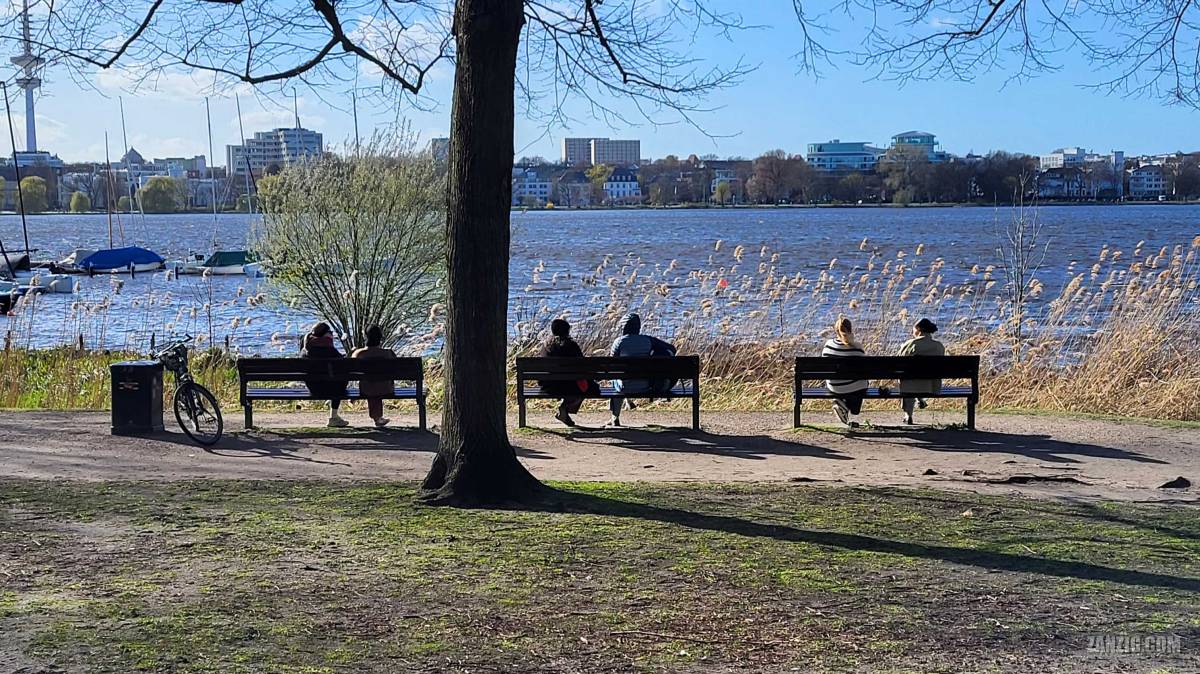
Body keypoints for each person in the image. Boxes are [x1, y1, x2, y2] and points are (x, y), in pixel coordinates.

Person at [608, 312, 676, 427]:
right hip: (646, 385)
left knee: (615, 378)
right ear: (638, 327)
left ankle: (615, 417)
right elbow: (671, 349)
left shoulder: (619, 342)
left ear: (623, 327)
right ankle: (628, 402)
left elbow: (612, 363)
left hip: (624, 386)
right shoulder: (648, 340)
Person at [537, 319, 598, 427]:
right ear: (567, 331)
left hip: (549, 387)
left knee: (579, 385)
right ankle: (564, 408)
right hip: (571, 386)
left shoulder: (545, 347)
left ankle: (564, 413)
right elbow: (582, 365)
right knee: (592, 388)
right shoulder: (572, 346)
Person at [897, 317, 946, 425]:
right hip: (932, 386)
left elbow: (898, 361)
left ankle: (908, 414)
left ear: (918, 329)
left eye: (913, 329)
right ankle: (920, 399)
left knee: (908, 379)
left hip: (910, 386)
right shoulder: (939, 346)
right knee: (919, 378)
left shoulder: (911, 344)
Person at [821, 317, 868, 428]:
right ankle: (851, 409)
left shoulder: (828, 345)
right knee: (861, 383)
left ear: (836, 331)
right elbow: (865, 370)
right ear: (851, 330)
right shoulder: (857, 348)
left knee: (852, 382)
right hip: (856, 389)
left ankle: (842, 404)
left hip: (835, 387)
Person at [301, 321, 349, 428]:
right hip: (333, 390)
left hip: (313, 389)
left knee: (337, 379)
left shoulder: (305, 350)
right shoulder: (329, 349)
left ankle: (333, 412)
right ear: (326, 334)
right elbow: (344, 364)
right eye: (330, 332)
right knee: (341, 379)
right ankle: (333, 417)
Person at [351, 325, 397, 428]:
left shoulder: (358, 354)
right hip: (386, 388)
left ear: (366, 337)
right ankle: (378, 418)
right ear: (380, 337)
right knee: (378, 383)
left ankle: (377, 418)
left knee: (371, 383)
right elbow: (397, 370)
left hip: (366, 388)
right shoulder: (388, 353)